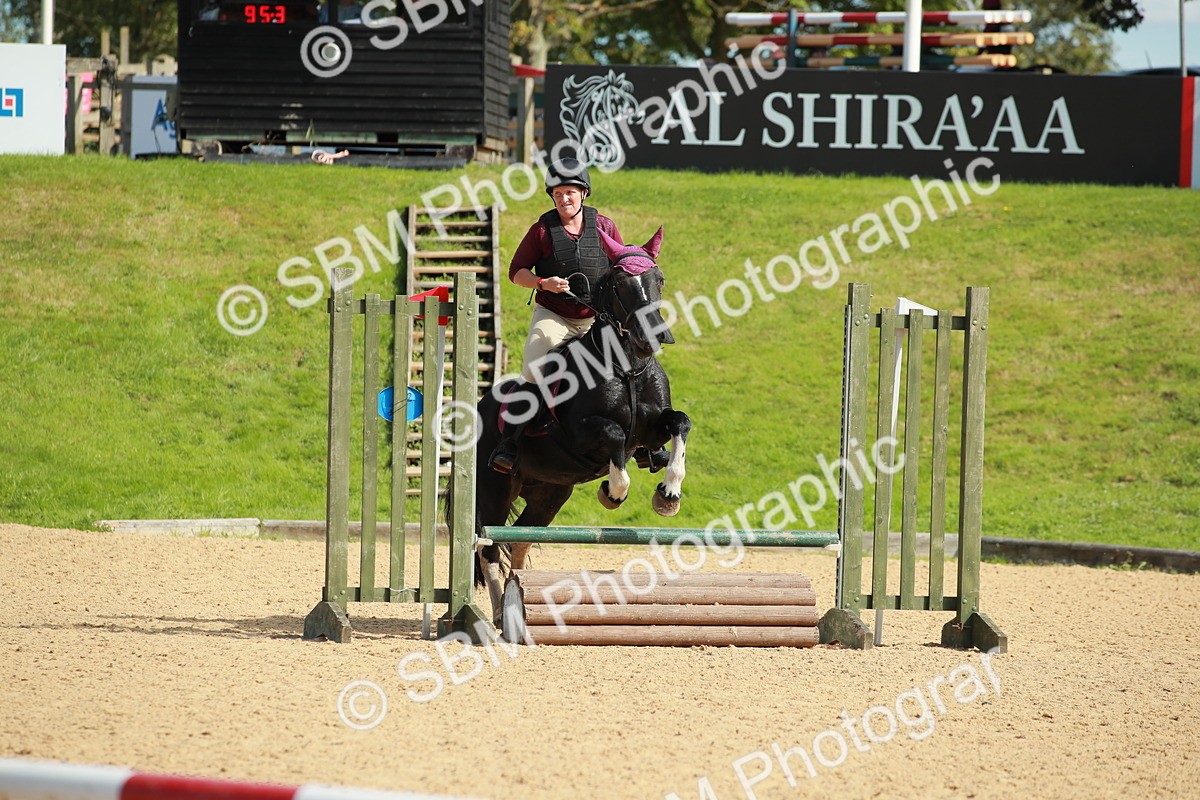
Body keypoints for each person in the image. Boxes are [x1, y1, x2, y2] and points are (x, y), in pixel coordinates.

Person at [488, 158, 623, 474]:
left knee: (631, 362)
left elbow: (619, 266)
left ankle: (649, 446)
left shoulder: (605, 227)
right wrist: (541, 283)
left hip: (595, 319)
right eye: (558, 194)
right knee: (535, 365)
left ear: (584, 193)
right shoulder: (541, 230)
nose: (564, 199)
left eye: (570, 193)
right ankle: (509, 441)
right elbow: (515, 272)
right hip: (555, 315)